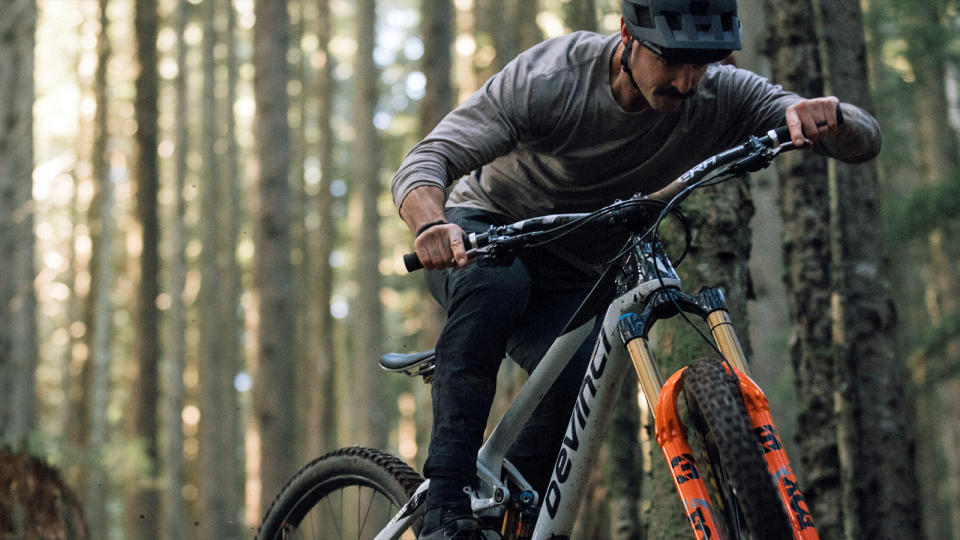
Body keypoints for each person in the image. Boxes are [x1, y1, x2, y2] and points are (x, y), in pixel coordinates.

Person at [391, 0, 881, 537]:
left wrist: (832, 116)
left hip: (577, 273)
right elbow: (428, 159)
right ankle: (444, 506)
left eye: (703, 63)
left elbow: (859, 139)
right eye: (671, 60)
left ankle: (510, 522)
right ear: (628, 36)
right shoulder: (553, 77)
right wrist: (431, 225)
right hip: (488, 231)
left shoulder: (719, 92)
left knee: (580, 380)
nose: (687, 81)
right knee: (495, 289)